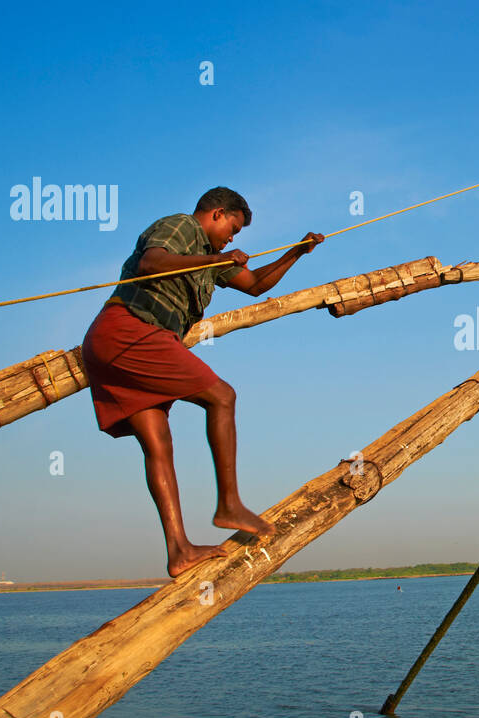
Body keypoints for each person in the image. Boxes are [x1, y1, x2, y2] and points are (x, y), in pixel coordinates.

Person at [81, 187, 325, 578]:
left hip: (119, 343)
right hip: (130, 331)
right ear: (216, 213)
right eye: (233, 228)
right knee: (222, 397)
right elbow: (151, 262)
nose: (232, 238)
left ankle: (179, 550)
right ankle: (229, 503)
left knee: (158, 444)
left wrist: (297, 251)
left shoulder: (211, 258)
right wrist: (218, 257)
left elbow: (256, 284)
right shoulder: (181, 227)